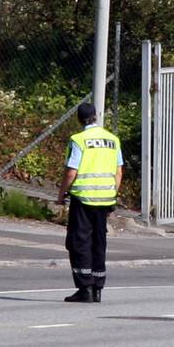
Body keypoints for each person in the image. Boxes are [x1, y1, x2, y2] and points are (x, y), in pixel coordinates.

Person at [57, 103, 123, 303]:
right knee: (99, 242)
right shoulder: (112, 139)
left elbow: (71, 172)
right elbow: (119, 172)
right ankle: (98, 288)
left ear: (79, 119)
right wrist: (111, 193)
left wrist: (61, 194)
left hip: (83, 199)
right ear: (96, 116)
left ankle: (85, 287)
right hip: (105, 199)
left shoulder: (78, 140)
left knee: (79, 242)